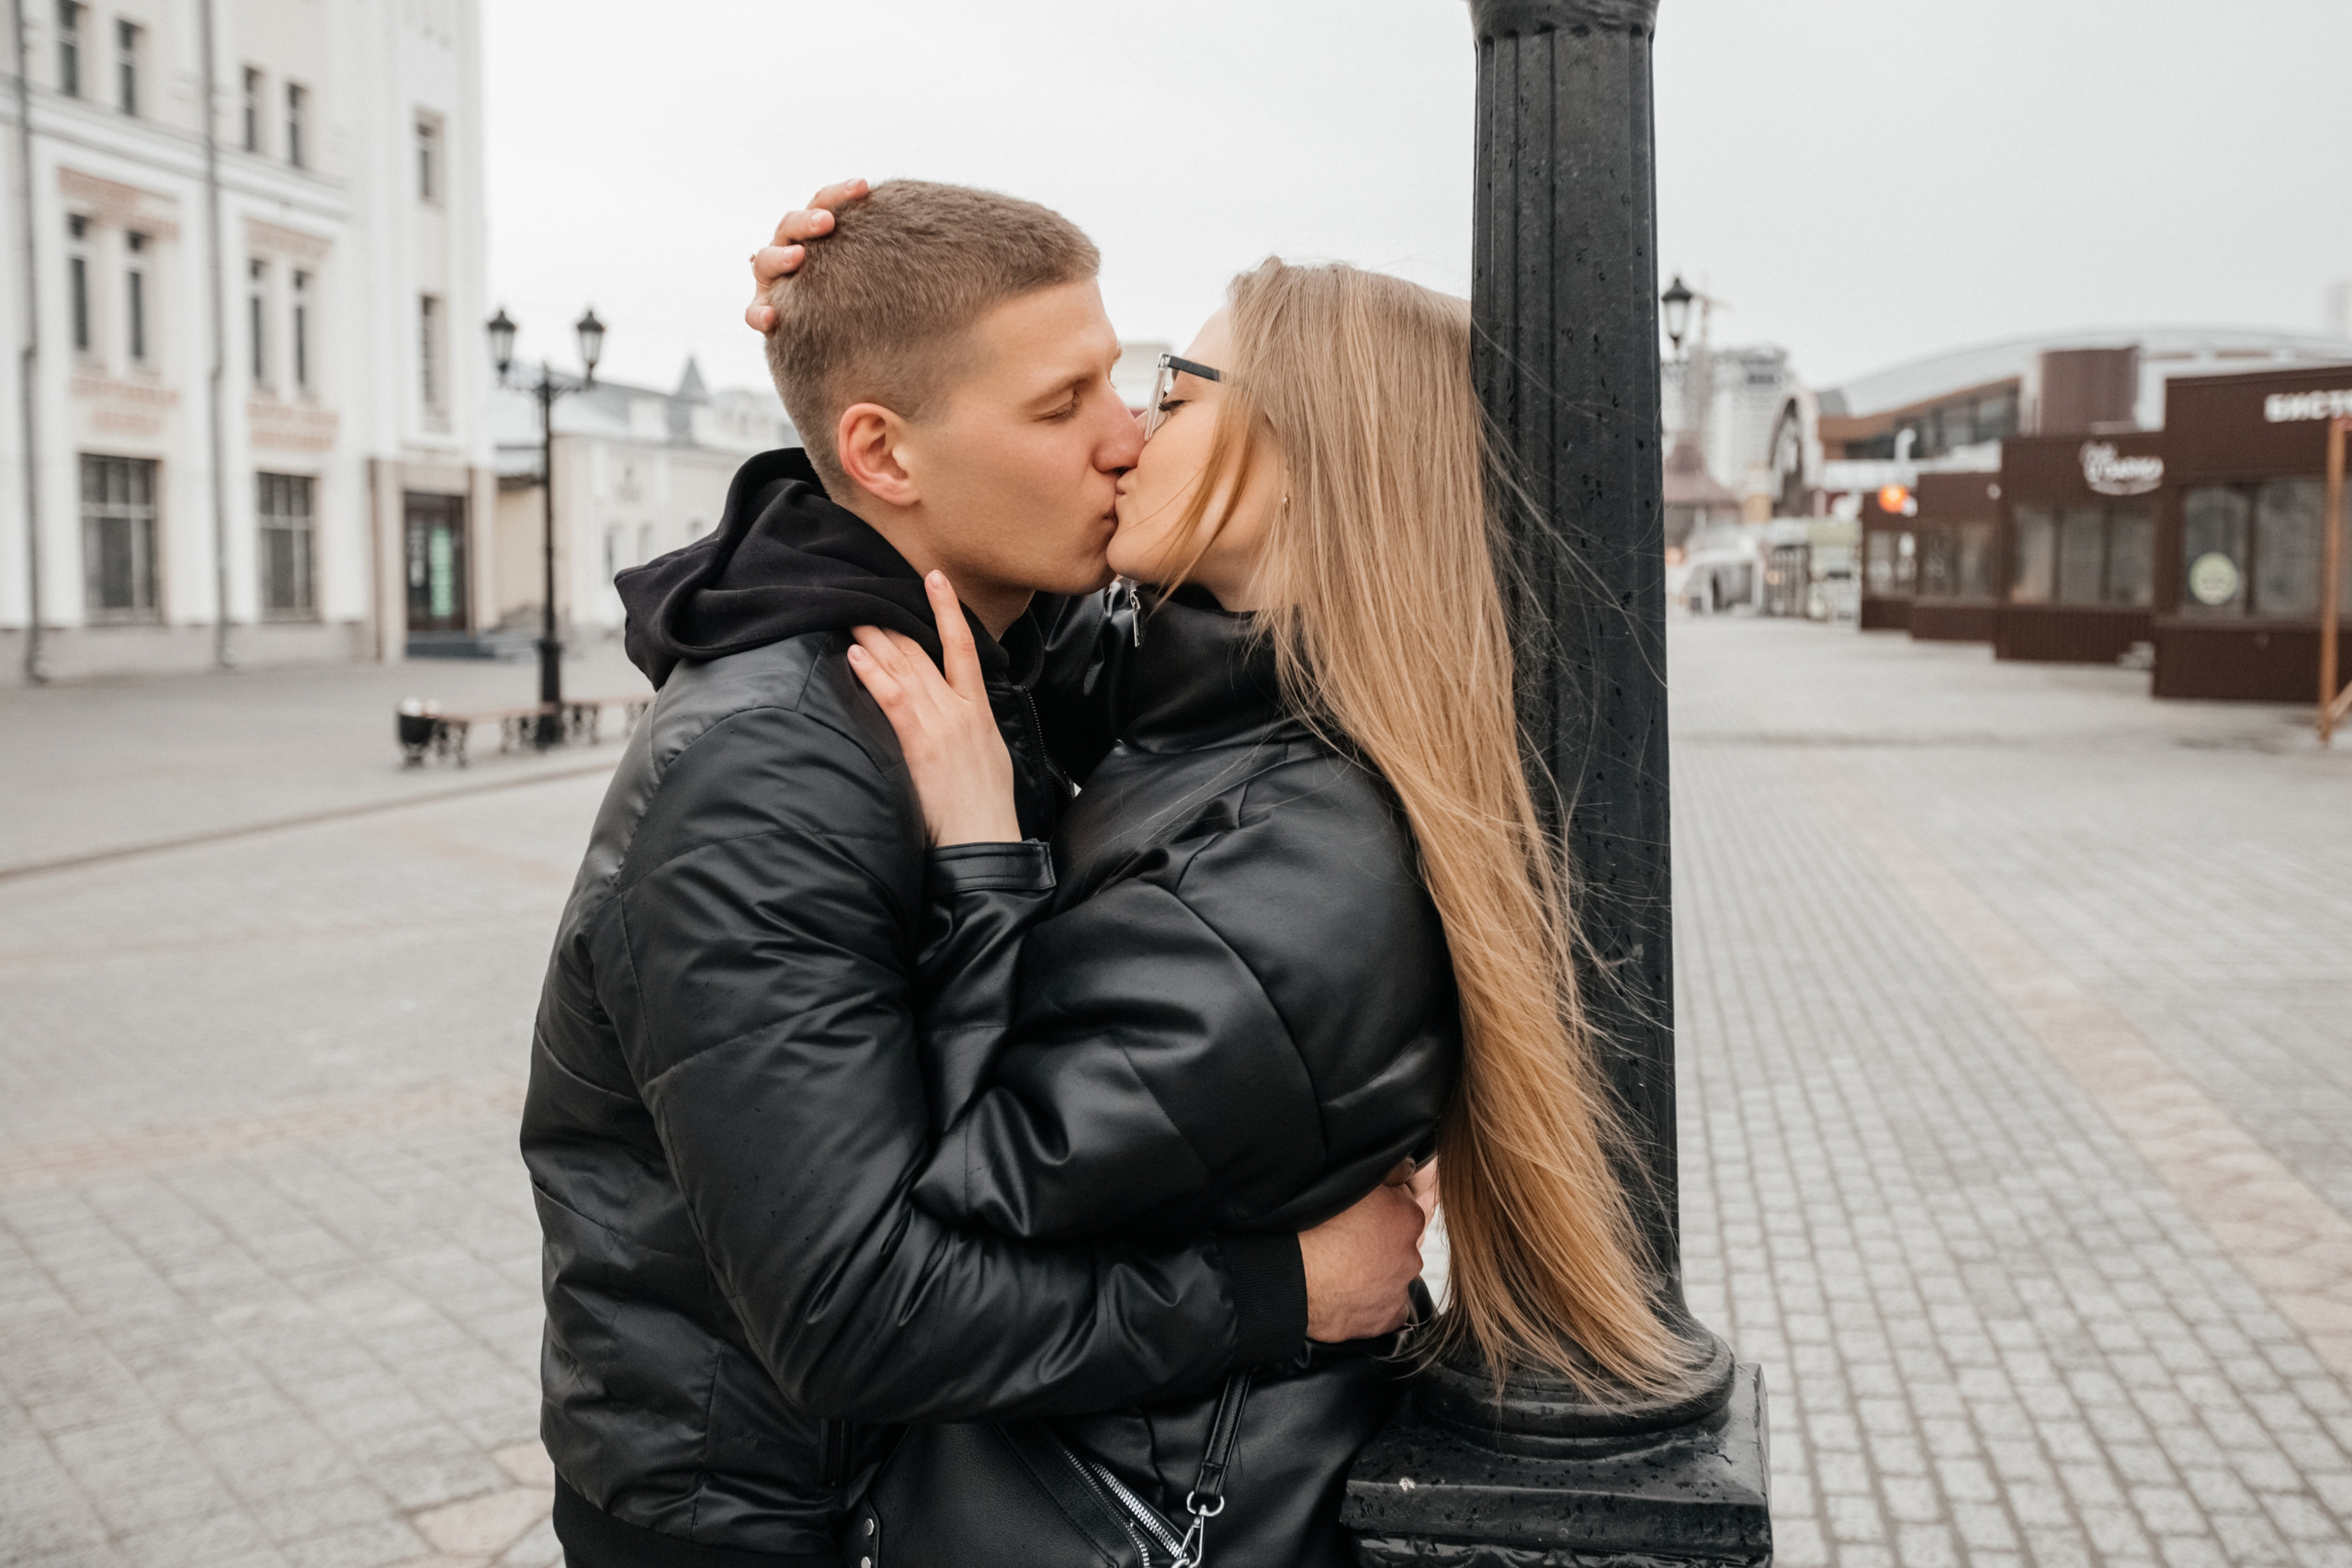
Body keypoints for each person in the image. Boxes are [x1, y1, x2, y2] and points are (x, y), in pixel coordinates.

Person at [752, 211, 1699, 1564]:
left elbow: (965, 1190)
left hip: (1089, 1508)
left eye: (1170, 394)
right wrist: (855, 342)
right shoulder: (1203, 698)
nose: (1130, 437)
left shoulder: (1288, 879)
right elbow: (963, 550)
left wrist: (980, 862)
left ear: (1312, 453)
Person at [521, 180, 1430, 1568]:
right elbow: (850, 1312)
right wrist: (1280, 1293)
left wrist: (850, 315)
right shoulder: (768, 772)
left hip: (908, 1486)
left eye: (1129, 387)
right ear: (882, 455)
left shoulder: (987, 648)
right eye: (1061, 407)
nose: (1124, 439)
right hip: (757, 1520)